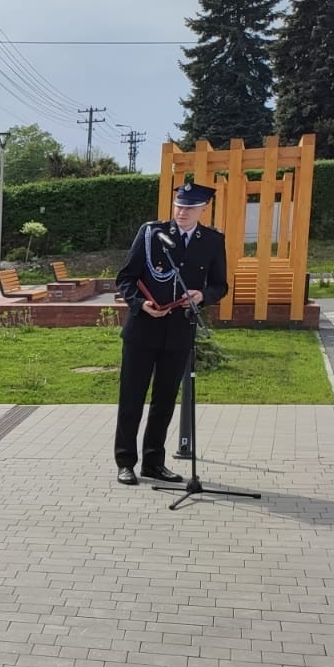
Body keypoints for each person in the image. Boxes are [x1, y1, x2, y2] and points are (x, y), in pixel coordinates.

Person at [113, 181, 229, 485]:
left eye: (190, 207)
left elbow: (220, 285)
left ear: (204, 209)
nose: (182, 211)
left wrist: (203, 295)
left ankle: (153, 462)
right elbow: (125, 277)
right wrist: (140, 303)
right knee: (131, 399)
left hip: (179, 330)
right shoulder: (152, 233)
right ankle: (125, 462)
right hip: (143, 329)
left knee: (164, 401)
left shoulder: (213, 240)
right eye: (179, 205)